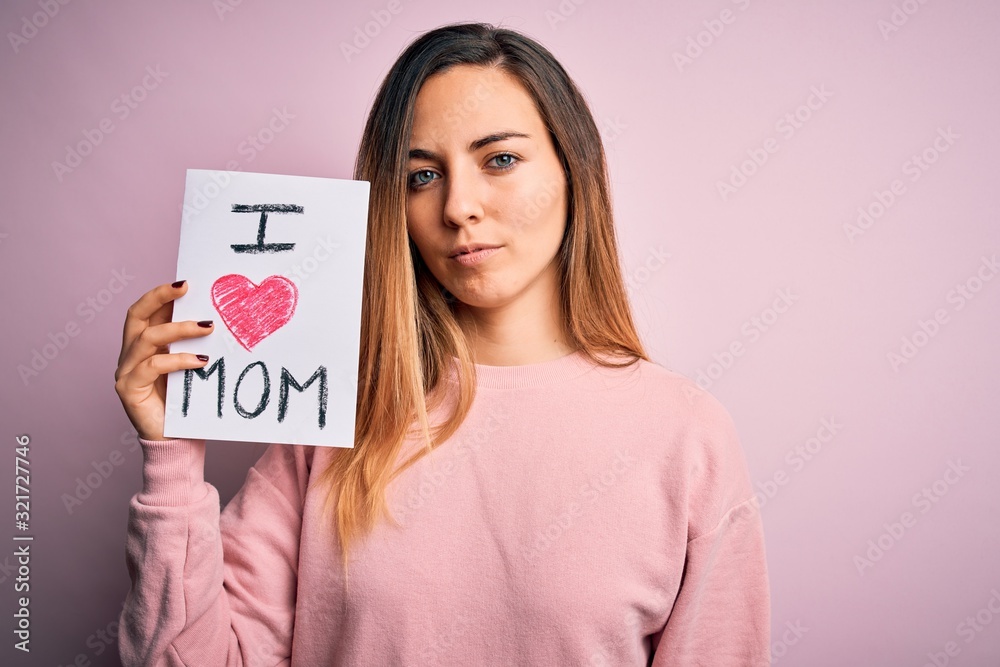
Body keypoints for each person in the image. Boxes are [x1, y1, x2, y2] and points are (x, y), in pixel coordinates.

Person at [114, 22, 771, 666]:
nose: (458, 205)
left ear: (575, 169)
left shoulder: (687, 437)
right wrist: (171, 455)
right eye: (422, 176)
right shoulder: (334, 414)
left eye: (501, 160)